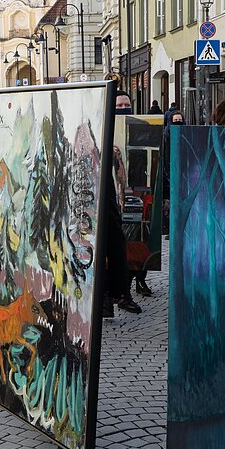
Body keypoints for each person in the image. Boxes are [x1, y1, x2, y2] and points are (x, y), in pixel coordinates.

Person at [102, 90, 141, 319]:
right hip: (96, 205)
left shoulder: (133, 130)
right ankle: (105, 299)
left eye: (127, 104)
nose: (123, 108)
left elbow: (123, 176)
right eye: (119, 105)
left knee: (120, 247)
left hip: (115, 204)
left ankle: (122, 293)